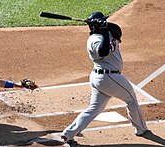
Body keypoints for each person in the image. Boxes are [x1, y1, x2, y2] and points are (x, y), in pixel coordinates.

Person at [61, 12, 148, 145]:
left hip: (104, 78)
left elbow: (118, 31)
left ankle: (68, 133)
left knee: (94, 109)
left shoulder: (108, 32)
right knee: (131, 99)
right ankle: (141, 129)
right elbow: (103, 51)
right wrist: (101, 29)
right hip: (108, 77)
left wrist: (104, 26)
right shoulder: (94, 40)